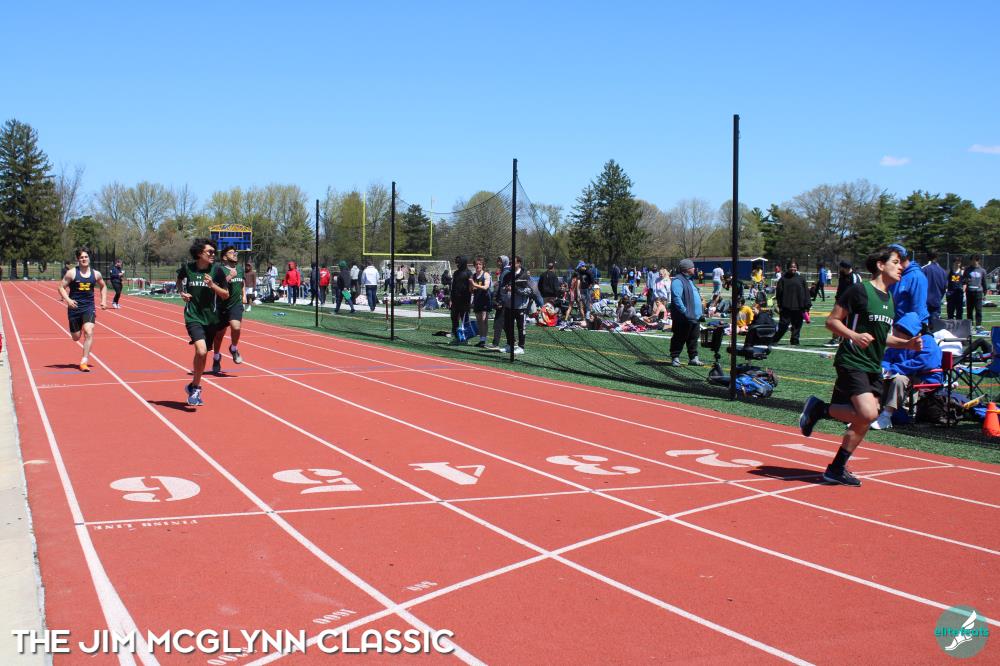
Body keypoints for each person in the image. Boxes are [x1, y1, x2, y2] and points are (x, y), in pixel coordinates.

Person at [799, 246, 923, 486]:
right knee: (869, 413)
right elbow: (832, 321)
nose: (901, 267)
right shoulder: (859, 291)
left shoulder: (889, 299)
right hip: (852, 360)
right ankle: (820, 409)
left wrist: (907, 343)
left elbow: (882, 337)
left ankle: (836, 468)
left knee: (865, 419)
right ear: (880, 265)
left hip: (873, 366)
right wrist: (854, 336)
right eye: (896, 262)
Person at [176, 239, 229, 406]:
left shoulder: (217, 271)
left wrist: (212, 285)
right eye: (210, 252)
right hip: (193, 316)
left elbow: (225, 294)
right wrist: (182, 293)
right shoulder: (188, 268)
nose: (213, 254)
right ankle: (197, 389)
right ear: (200, 253)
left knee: (203, 354)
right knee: (201, 350)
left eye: (214, 252)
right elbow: (179, 280)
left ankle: (194, 385)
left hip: (211, 318)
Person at [870, 313, 942, 430]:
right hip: (905, 374)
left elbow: (925, 362)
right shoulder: (900, 342)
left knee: (899, 379)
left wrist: (894, 369)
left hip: (923, 377)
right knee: (879, 376)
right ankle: (873, 413)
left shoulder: (927, 341)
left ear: (909, 332)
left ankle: (886, 416)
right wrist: (885, 369)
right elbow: (887, 358)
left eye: (898, 332)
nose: (895, 335)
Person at [58, 247, 107, 372]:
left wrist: (103, 300)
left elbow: (103, 286)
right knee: (76, 337)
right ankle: (79, 327)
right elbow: (61, 287)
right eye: (81, 257)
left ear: (89, 258)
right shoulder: (72, 273)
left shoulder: (96, 274)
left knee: (89, 332)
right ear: (78, 259)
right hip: (74, 308)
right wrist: (68, 300)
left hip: (88, 307)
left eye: (86, 257)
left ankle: (84, 361)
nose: (84, 259)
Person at [211, 245, 246, 375]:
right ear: (225, 257)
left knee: (236, 327)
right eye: (231, 253)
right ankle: (216, 357)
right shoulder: (219, 270)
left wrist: (244, 294)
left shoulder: (240, 269)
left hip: (236, 304)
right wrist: (229, 277)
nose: (235, 254)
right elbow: (214, 286)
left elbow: (242, 282)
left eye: (235, 252)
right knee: (218, 336)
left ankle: (233, 348)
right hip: (222, 306)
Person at [668, 258, 704, 367]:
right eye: (692, 267)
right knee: (679, 337)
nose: (694, 269)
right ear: (687, 269)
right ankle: (675, 357)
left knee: (693, 338)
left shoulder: (690, 280)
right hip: (683, 317)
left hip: (694, 316)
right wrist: (685, 311)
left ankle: (693, 358)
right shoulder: (678, 281)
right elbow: (676, 298)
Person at [887, 243, 928, 325]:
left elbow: (918, 310)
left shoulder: (916, 277)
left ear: (898, 260)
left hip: (906, 328)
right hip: (894, 325)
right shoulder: (896, 275)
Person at [824, 260, 863, 346]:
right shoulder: (842, 276)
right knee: (835, 320)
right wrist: (837, 299)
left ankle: (847, 340)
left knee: (848, 322)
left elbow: (857, 290)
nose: (840, 269)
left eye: (841, 267)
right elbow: (840, 289)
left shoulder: (855, 276)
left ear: (846, 267)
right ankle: (835, 339)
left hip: (850, 303)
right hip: (840, 302)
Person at [772, 261, 811, 346]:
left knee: (797, 325)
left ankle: (795, 340)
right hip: (786, 307)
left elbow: (806, 293)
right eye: (791, 267)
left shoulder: (801, 279)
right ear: (787, 268)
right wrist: (780, 305)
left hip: (799, 307)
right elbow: (779, 294)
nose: (793, 268)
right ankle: (775, 339)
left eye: (794, 267)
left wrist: (807, 305)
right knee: (783, 325)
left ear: (797, 268)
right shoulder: (783, 279)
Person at [499, 256, 532, 354]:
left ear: (519, 263)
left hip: (520, 306)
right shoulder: (507, 275)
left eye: (514, 263)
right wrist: (505, 289)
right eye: (510, 263)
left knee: (521, 327)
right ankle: (510, 345)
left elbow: (529, 291)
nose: (511, 265)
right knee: (507, 326)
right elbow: (502, 289)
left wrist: (515, 289)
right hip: (509, 305)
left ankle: (521, 347)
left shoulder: (525, 276)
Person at [449, 256, 472, 344]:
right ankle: (457, 337)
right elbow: (453, 287)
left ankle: (465, 338)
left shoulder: (468, 273)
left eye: (459, 262)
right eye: (456, 263)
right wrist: (451, 299)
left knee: (465, 320)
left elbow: (471, 287)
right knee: (454, 319)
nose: (457, 264)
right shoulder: (456, 273)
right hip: (455, 300)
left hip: (464, 300)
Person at [470, 257, 492, 347]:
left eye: (480, 264)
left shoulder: (486, 275)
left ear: (483, 265)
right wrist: (471, 287)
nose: (478, 266)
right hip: (477, 299)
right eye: (476, 264)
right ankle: (481, 339)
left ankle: (483, 340)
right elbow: (471, 290)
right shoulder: (473, 276)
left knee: (484, 320)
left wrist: (474, 284)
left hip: (485, 300)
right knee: (479, 320)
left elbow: (486, 287)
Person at [922, 251, 948, 327]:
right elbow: (944, 287)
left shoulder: (924, 269)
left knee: (923, 325)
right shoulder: (943, 271)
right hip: (936, 300)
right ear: (937, 257)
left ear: (927, 257)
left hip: (924, 301)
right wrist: (939, 297)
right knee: (934, 326)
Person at [963, 255, 987, 331]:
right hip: (969, 292)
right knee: (969, 310)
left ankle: (978, 325)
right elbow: (963, 281)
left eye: (975, 260)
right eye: (972, 260)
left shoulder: (982, 270)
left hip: (978, 292)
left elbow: (984, 282)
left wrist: (985, 293)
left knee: (978, 309)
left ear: (978, 261)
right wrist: (966, 281)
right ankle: (970, 325)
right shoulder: (967, 270)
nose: (973, 262)